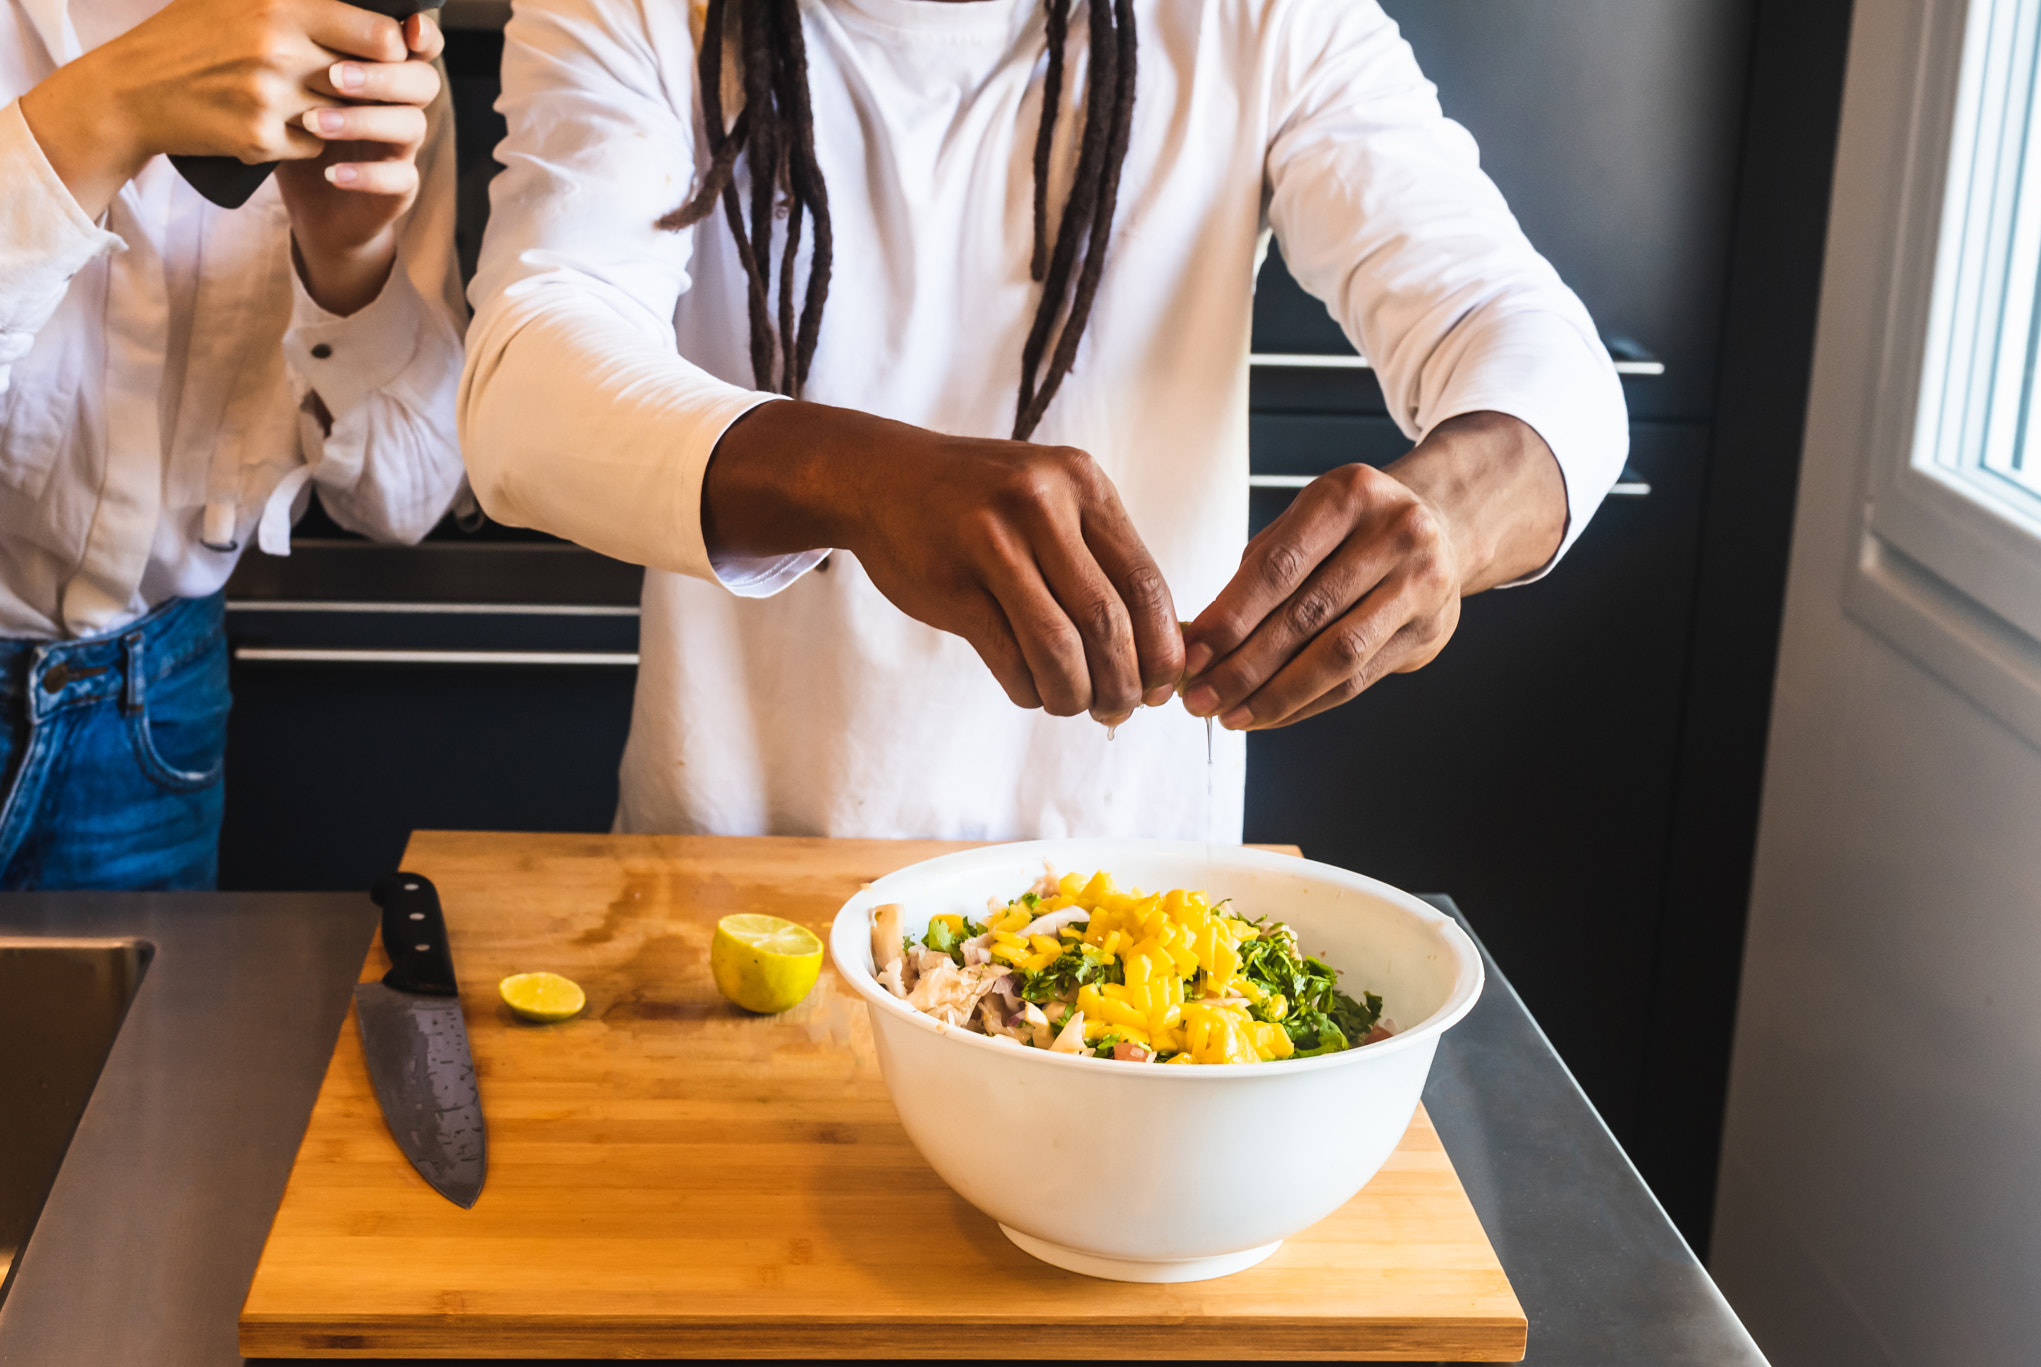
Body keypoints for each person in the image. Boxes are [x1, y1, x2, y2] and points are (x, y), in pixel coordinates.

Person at [463, 0, 1627, 843]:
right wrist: (859, 482)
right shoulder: (636, 14)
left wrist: (1446, 519)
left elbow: (1519, 334)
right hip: (731, 898)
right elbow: (525, 381)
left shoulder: (1264, 20)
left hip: (1132, 932)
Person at [0, 0, 467, 888]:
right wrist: (107, 107)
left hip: (158, 717)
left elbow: (405, 498)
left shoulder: (375, 49)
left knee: (139, 1036)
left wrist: (348, 263)